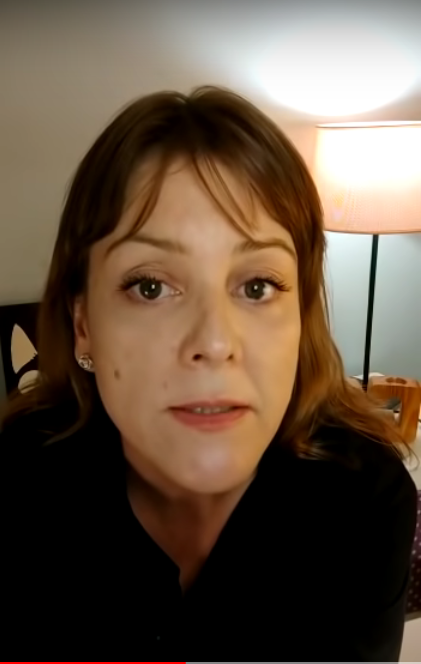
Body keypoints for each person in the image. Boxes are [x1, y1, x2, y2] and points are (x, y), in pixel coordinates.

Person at [0, 86, 417, 661]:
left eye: (257, 286)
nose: (215, 343)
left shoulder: (365, 500)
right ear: (83, 325)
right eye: (151, 286)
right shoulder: (16, 490)